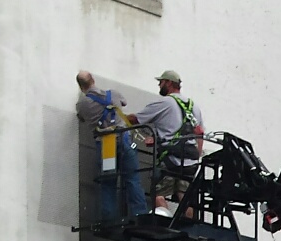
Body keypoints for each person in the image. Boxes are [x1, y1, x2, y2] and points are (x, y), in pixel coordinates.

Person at [74, 71, 147, 221]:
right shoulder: (113, 94)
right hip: (124, 138)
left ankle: (108, 219)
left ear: (81, 87)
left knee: (108, 183)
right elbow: (124, 103)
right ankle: (140, 214)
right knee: (132, 179)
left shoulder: (82, 105)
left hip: (106, 145)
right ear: (93, 80)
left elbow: (81, 117)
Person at [134, 69, 204, 213]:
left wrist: (121, 117)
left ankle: (163, 222)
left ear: (169, 83)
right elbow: (200, 134)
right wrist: (196, 156)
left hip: (170, 160)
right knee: (185, 199)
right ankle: (187, 227)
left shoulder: (165, 103)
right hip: (190, 161)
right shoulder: (194, 107)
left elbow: (136, 119)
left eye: (161, 82)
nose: (159, 85)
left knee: (158, 195)